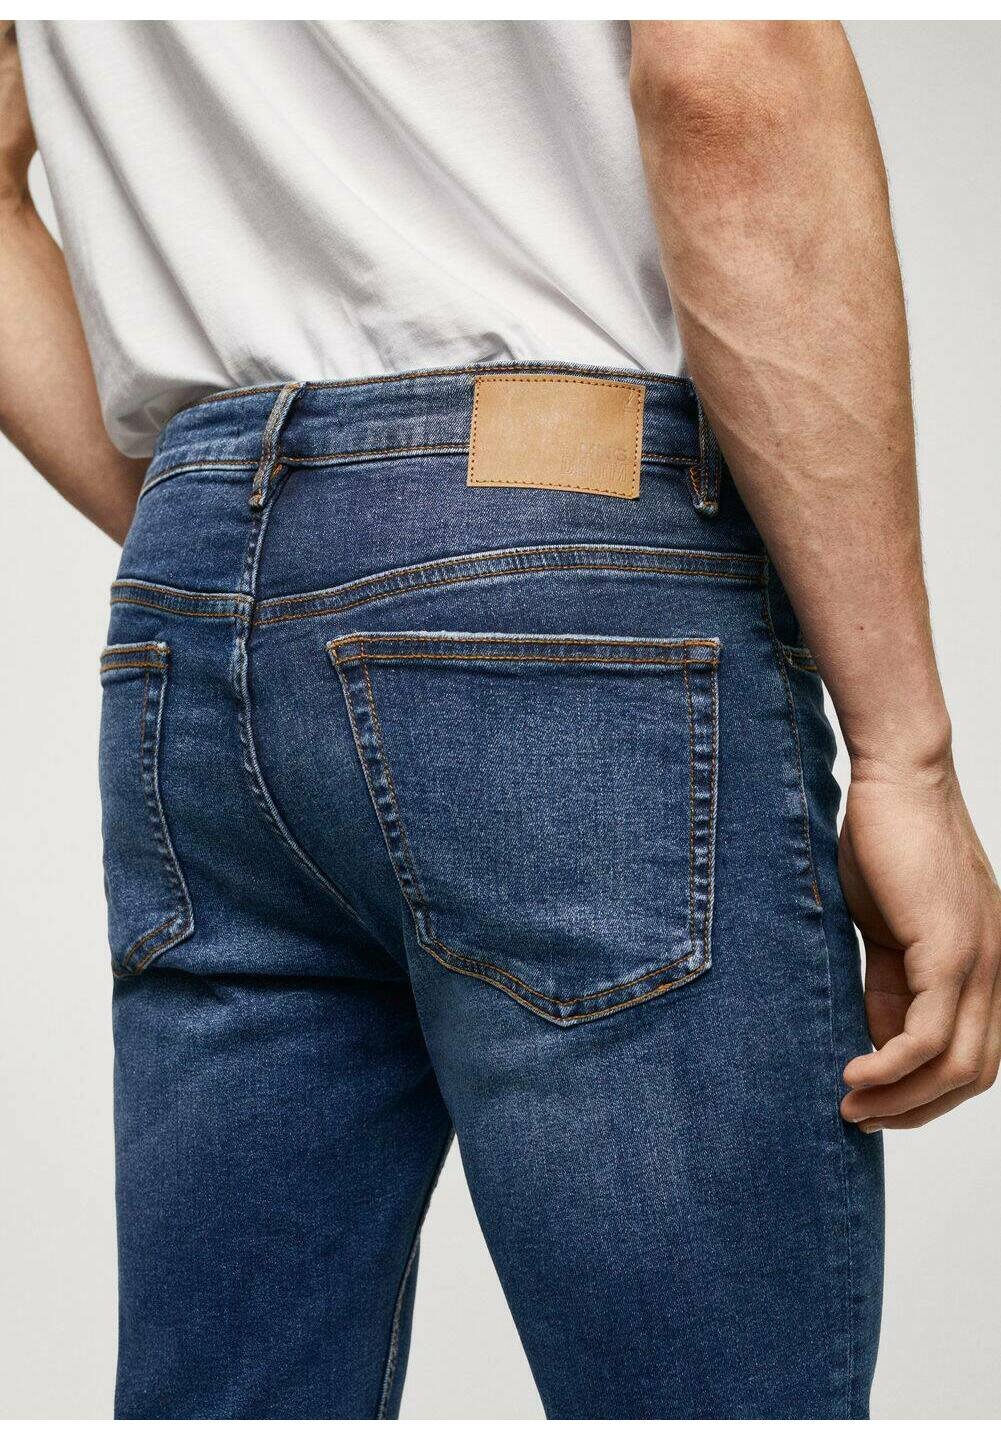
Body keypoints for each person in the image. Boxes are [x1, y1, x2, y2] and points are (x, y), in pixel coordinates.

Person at [1, 18, 997, 1422]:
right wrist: (906, 751)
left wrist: (263, 555)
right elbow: (727, 70)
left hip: (203, 591)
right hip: (564, 562)